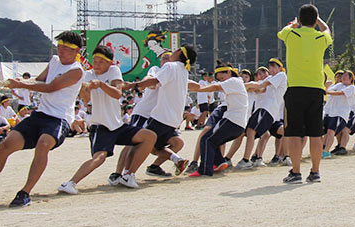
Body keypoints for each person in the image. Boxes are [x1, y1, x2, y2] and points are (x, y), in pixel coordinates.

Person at [0, 30, 86, 207]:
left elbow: (50, 87)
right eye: (59, 47)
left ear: (76, 51)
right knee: (5, 145)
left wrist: (21, 84)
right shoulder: (55, 61)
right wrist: (24, 81)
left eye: (66, 48)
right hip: (40, 114)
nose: (61, 50)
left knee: (43, 145)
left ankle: (25, 192)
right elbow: (40, 79)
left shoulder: (77, 71)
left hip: (59, 119)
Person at [58, 45, 157, 194]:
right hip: (100, 125)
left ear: (109, 63)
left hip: (117, 125)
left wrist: (101, 84)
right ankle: (70, 183)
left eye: (100, 62)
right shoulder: (88, 75)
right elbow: (86, 100)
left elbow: (117, 93)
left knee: (149, 136)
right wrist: (85, 89)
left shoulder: (113, 71)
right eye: (95, 61)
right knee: (100, 158)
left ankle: (129, 174)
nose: (96, 64)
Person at [276, 4, 332, 183]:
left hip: (295, 89)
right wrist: (319, 21)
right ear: (315, 20)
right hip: (316, 89)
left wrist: (294, 24)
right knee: (316, 133)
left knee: (293, 133)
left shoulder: (291, 34)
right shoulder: (321, 38)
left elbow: (282, 31)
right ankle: (315, 172)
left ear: (300, 20)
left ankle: (296, 172)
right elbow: (327, 29)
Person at [135, 45, 197, 186]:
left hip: (163, 117)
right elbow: (150, 79)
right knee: (141, 145)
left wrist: (133, 86)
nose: (167, 59)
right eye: (164, 58)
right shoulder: (157, 69)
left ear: (179, 54)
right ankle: (127, 172)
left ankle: (147, 169)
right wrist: (140, 84)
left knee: (172, 144)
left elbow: (156, 82)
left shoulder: (175, 70)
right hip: (146, 113)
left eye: (169, 55)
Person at [187, 63, 248, 177]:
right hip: (238, 124)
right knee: (213, 140)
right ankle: (219, 162)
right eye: (219, 79)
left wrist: (198, 89)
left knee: (206, 140)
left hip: (232, 121)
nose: (221, 80)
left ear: (229, 72)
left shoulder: (233, 81)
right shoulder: (237, 82)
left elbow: (216, 87)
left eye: (222, 78)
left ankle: (205, 169)